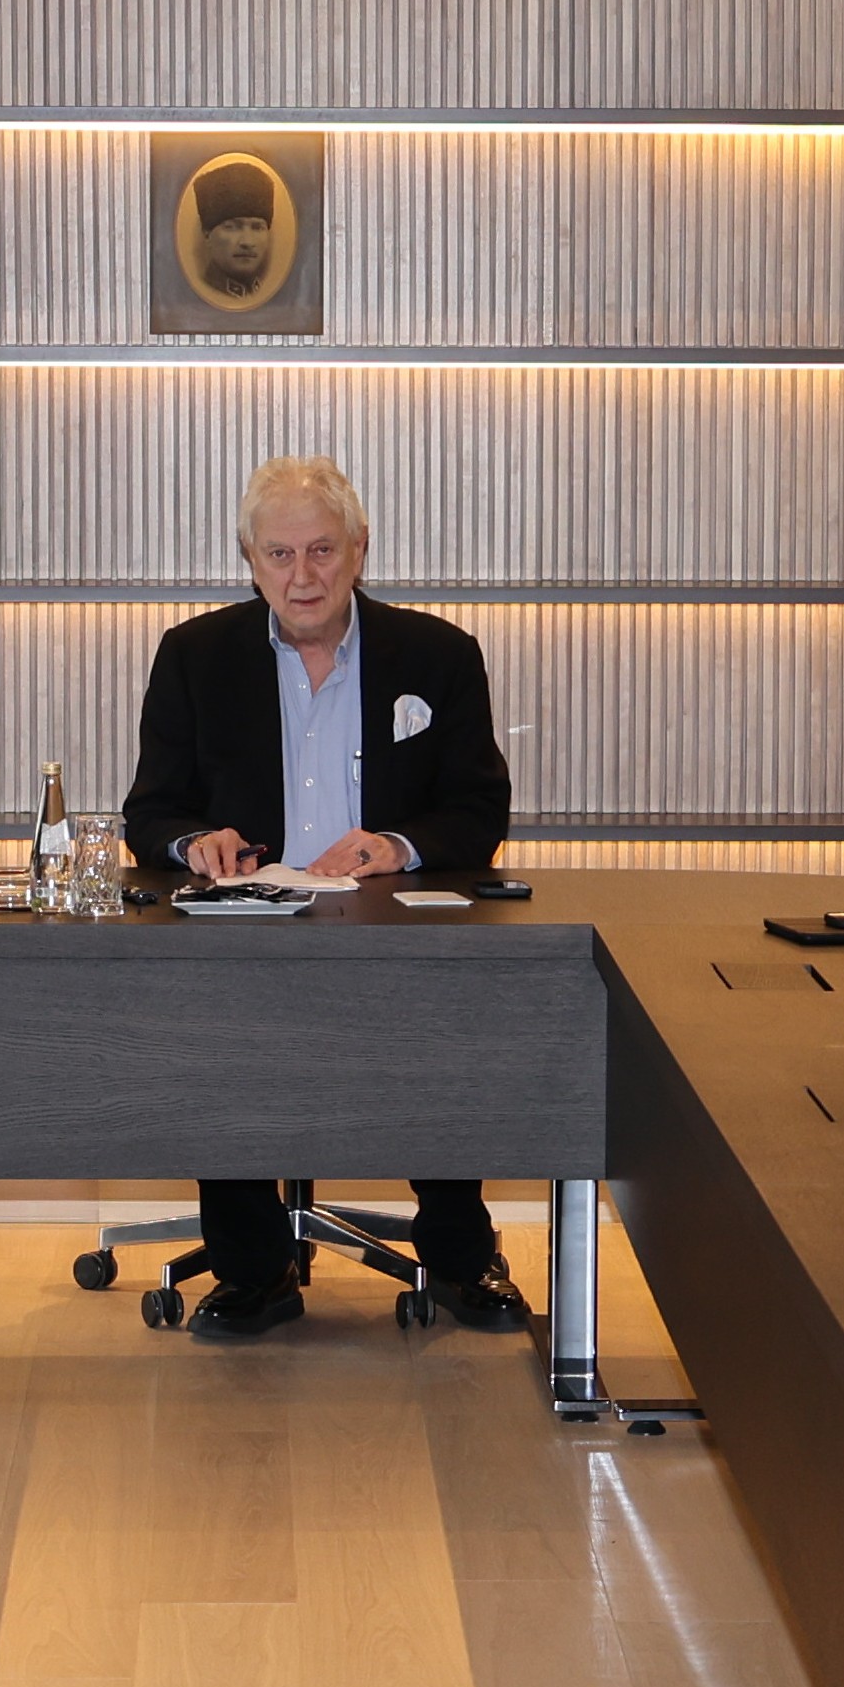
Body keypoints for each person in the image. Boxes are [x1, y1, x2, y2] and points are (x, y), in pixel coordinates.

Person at [117, 456, 530, 1335]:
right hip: (247, 933)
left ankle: (460, 1254)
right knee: (215, 1025)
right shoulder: (193, 656)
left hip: (391, 932)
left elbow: (477, 808)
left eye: (321, 550)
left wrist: (397, 846)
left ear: (358, 549)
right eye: (279, 554)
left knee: (447, 1022)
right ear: (250, 559)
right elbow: (150, 812)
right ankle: (253, 1268)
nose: (301, 575)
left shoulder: (438, 654)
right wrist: (196, 843)